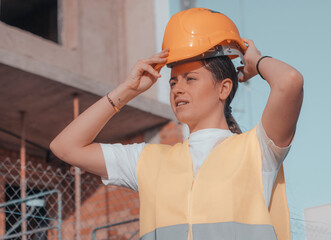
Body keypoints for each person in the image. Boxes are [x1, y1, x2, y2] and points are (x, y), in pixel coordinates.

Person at [50, 8, 303, 240]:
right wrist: (127, 90)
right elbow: (65, 147)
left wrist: (256, 62)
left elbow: (290, 82)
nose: (178, 89)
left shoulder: (258, 150)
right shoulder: (148, 160)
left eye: (190, 79)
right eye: (173, 82)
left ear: (224, 88)